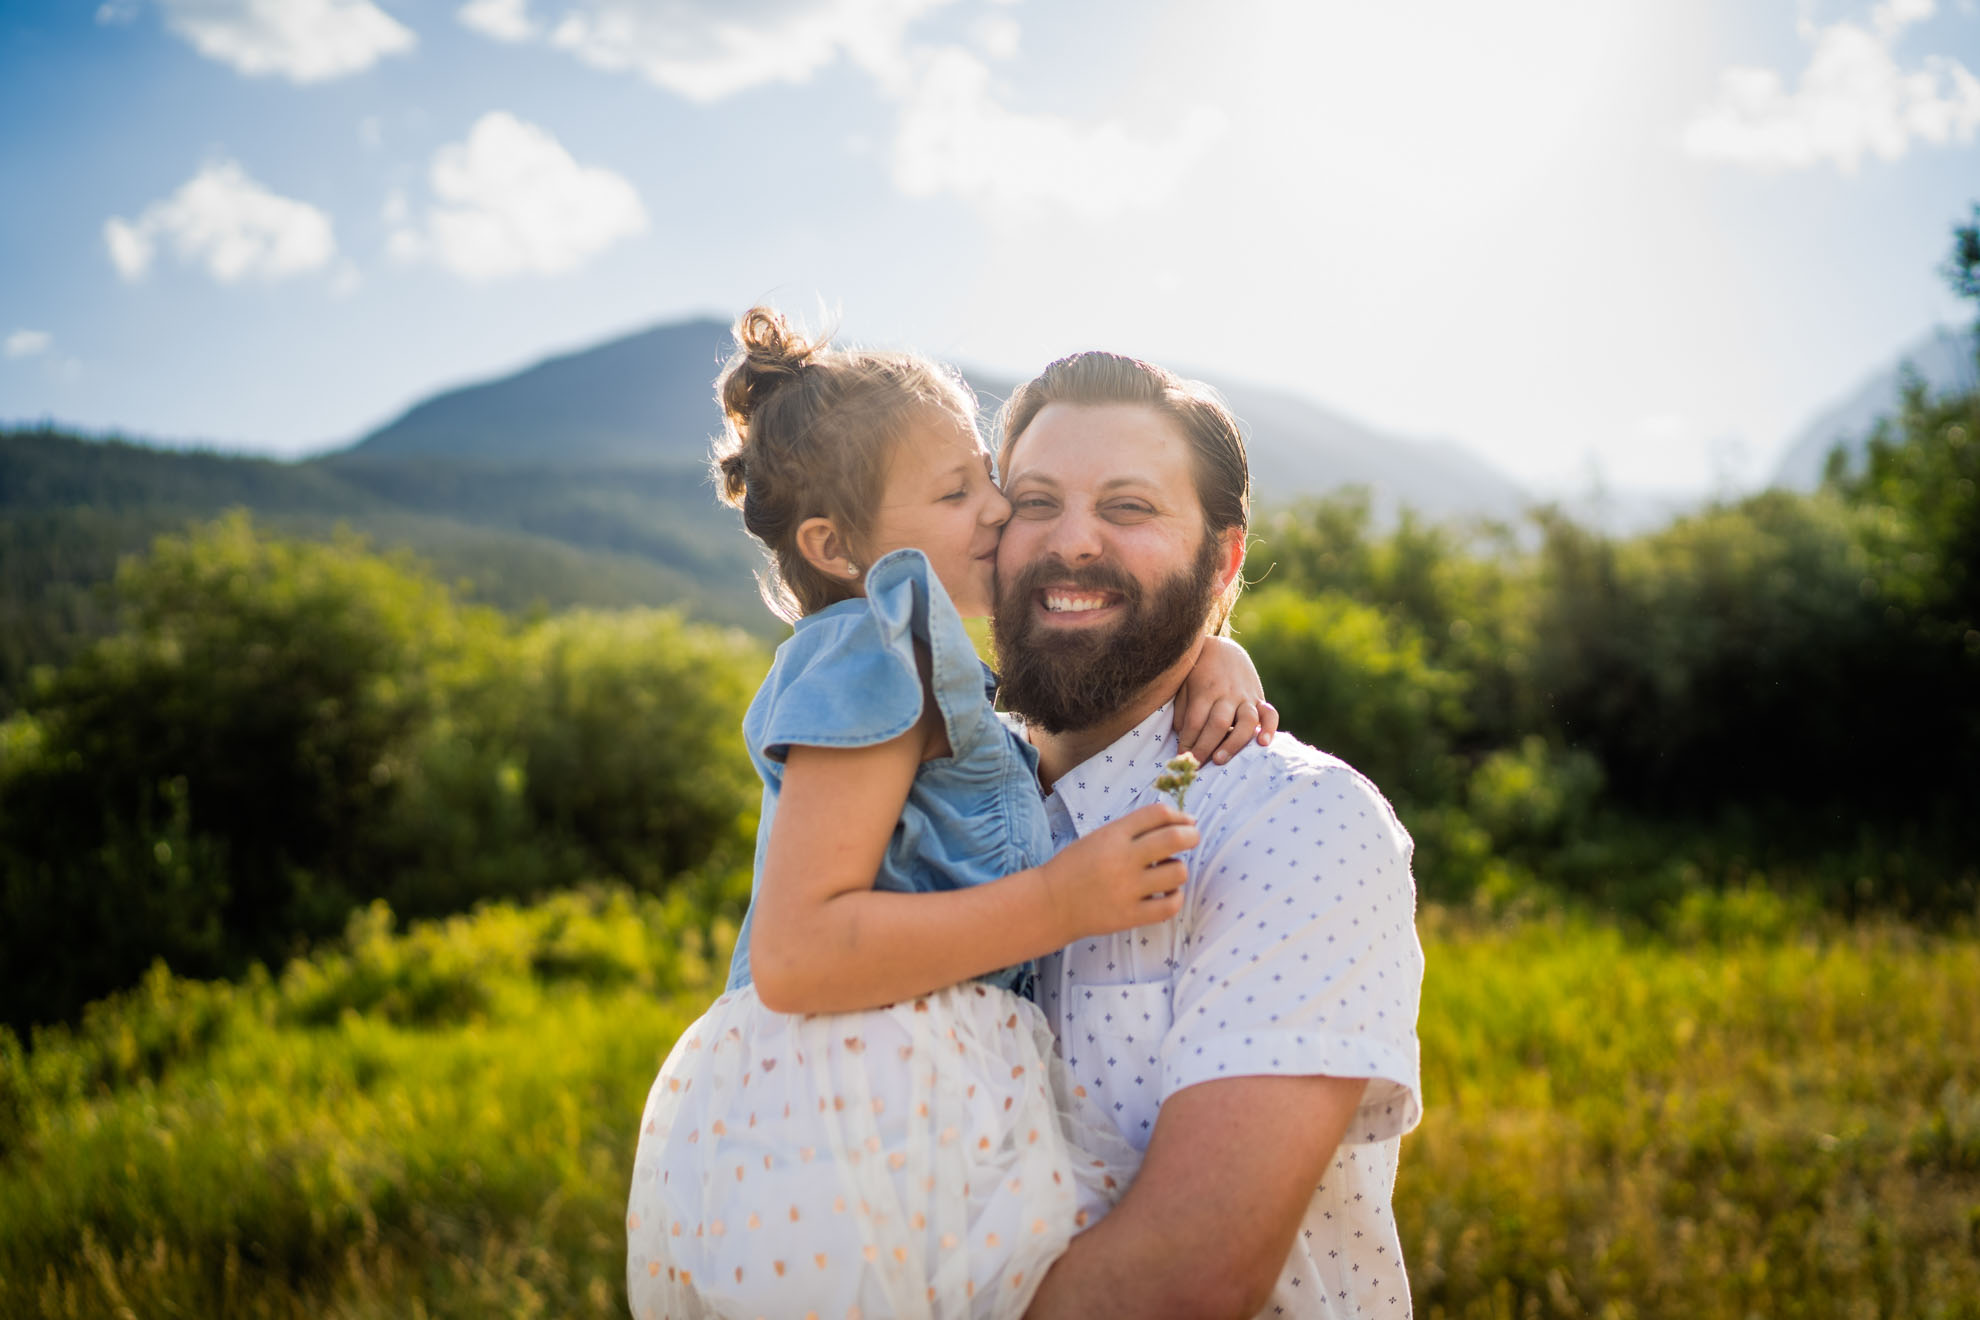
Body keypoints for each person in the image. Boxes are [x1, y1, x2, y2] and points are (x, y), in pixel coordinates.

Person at [624, 309, 1277, 1320]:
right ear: (836, 547)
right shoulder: (874, 656)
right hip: (850, 1107)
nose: (997, 515)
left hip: (910, 1095)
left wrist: (1215, 649)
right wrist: (1060, 902)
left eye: (989, 480)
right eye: (957, 491)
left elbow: (1056, 710)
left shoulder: (928, 668)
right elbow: (800, 953)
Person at [988, 351, 1426, 1319]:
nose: (1071, 544)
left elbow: (1187, 1283)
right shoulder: (938, 809)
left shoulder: (1296, 825)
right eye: (1033, 501)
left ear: (1223, 560)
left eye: (1130, 508)